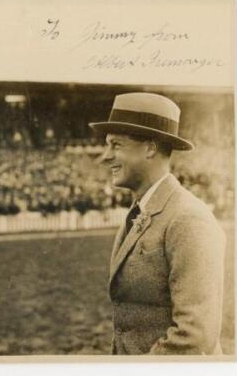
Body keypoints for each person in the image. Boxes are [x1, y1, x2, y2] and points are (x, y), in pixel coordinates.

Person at [89, 92, 225, 355]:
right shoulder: (142, 209)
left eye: (116, 145)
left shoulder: (188, 219)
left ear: (150, 147)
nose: (105, 156)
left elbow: (195, 337)